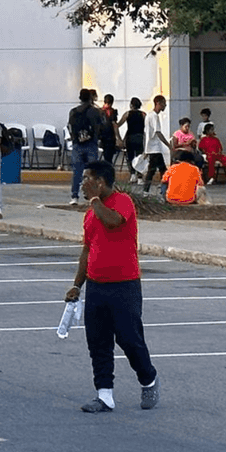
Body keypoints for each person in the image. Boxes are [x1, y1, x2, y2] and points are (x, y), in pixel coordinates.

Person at [64, 160, 160, 413]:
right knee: (98, 342)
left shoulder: (122, 202)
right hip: (97, 285)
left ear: (101, 181)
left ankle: (148, 377)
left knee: (129, 338)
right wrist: (77, 285)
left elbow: (113, 222)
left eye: (87, 178)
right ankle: (104, 394)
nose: (82, 183)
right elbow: (87, 249)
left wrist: (95, 201)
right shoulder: (89, 214)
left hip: (124, 285)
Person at [68, 88, 105, 205]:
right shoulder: (94, 111)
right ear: (90, 98)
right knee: (93, 171)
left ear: (79, 98)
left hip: (77, 144)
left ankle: (74, 196)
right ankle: (93, 196)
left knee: (77, 172)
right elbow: (99, 127)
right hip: (90, 144)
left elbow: (70, 127)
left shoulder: (73, 111)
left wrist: (75, 139)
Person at [141, 95, 171, 195]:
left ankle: (148, 191)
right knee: (159, 170)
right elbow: (158, 132)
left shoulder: (149, 115)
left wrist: (145, 149)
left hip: (151, 147)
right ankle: (163, 190)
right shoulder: (154, 116)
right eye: (163, 103)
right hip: (155, 148)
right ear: (158, 103)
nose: (165, 105)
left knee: (155, 170)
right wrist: (168, 145)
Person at [117, 98, 147, 183]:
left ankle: (132, 174)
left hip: (130, 137)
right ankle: (140, 177)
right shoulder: (143, 114)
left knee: (130, 156)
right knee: (139, 156)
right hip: (140, 136)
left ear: (131, 105)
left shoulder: (127, 114)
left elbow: (118, 124)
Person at [99, 94, 121, 168]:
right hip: (110, 137)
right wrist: (118, 138)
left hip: (101, 137)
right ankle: (108, 173)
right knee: (109, 158)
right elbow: (115, 125)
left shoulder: (99, 111)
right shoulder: (112, 112)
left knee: (105, 156)